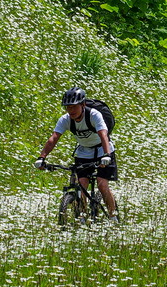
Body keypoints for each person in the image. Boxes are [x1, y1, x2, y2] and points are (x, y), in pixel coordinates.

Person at [35, 87, 118, 223]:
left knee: (102, 184)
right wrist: (42, 157)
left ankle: (113, 216)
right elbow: (54, 138)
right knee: (81, 184)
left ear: (83, 105)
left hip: (103, 150)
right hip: (84, 152)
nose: (71, 111)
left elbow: (103, 134)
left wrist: (107, 155)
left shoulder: (94, 115)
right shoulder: (65, 119)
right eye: (68, 108)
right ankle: (82, 217)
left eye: (74, 107)